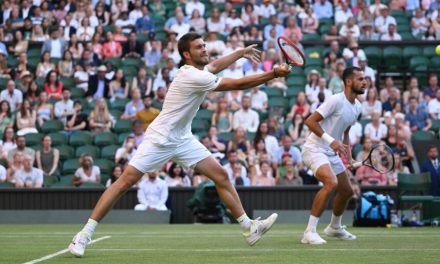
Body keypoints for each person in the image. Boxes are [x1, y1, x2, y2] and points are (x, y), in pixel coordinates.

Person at [68, 32, 290, 256]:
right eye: (198, 47)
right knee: (124, 183)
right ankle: (84, 234)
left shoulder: (198, 71)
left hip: (183, 139)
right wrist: (273, 73)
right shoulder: (192, 76)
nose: (204, 49)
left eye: (204, 45)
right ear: (187, 54)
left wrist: (240, 53)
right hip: (159, 138)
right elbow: (238, 84)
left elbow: (214, 64)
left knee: (221, 175)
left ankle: (248, 227)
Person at [301, 67, 366, 245]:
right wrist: (331, 141)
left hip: (331, 151)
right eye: (360, 79)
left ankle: (334, 227)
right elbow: (310, 121)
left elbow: (345, 132)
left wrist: (349, 157)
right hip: (314, 148)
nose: (365, 82)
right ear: (348, 82)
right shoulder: (335, 100)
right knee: (331, 183)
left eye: (365, 78)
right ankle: (309, 232)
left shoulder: (357, 107)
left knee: (346, 191)